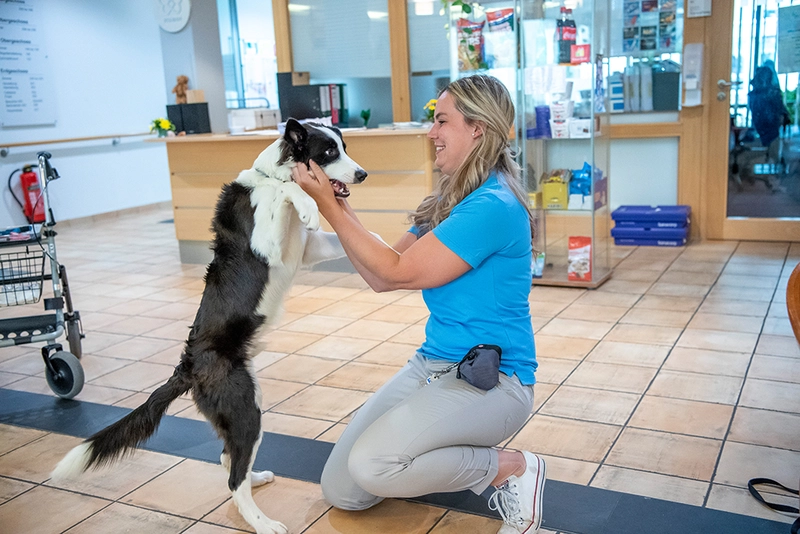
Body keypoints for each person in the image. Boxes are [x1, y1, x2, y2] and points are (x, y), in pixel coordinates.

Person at [292, 74, 545, 534]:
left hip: (495, 381)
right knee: (344, 490)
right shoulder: (449, 200)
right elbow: (380, 274)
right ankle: (424, 452)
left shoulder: (492, 205)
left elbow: (394, 272)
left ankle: (511, 467)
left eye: (442, 121)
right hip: (433, 366)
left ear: (478, 129)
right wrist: (338, 202)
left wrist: (328, 205)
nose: (431, 133)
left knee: (374, 465)